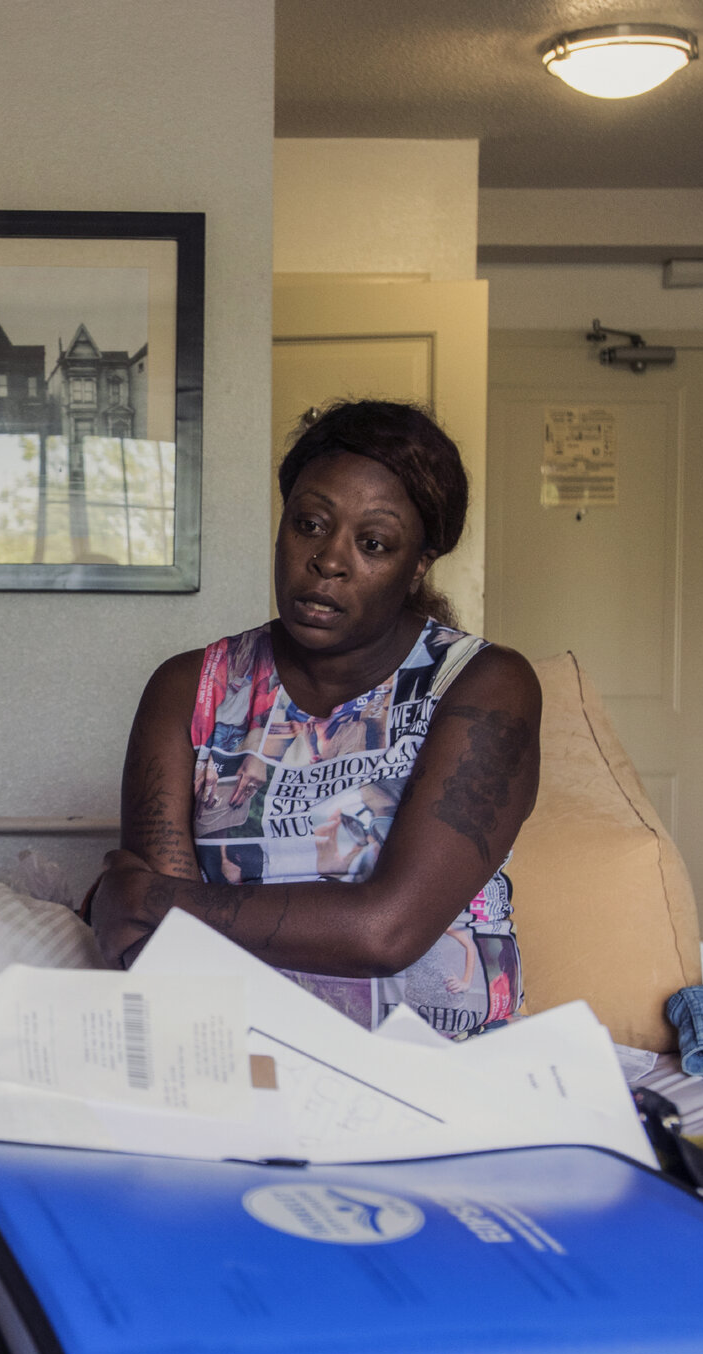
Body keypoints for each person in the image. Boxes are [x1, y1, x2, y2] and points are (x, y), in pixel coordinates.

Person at [89, 400, 541, 1038]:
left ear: (418, 563)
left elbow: (387, 931)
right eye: (309, 524)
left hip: (447, 1070)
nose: (329, 560)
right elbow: (158, 956)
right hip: (241, 1057)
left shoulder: (484, 685)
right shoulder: (191, 688)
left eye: (373, 543)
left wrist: (149, 898)